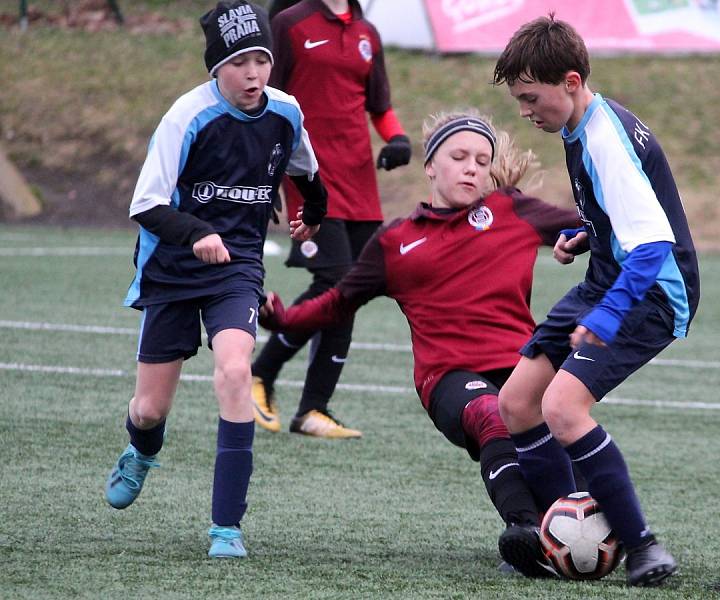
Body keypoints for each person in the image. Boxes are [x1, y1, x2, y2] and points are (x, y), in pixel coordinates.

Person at [258, 110, 582, 576]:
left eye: (482, 160)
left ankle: (585, 530)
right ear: (431, 165)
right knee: (490, 412)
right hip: (448, 378)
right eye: (459, 156)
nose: (472, 167)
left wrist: (580, 240)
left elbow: (592, 225)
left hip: (519, 365)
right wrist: (283, 318)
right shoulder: (396, 241)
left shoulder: (512, 211)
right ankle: (525, 533)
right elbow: (336, 303)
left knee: (570, 441)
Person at [103, 0, 327, 559]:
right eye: (238, 63)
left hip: (238, 266)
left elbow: (309, 176)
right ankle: (141, 449)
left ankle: (226, 527)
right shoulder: (186, 116)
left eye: (261, 60)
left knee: (234, 372)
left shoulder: (285, 111)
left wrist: (311, 216)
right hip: (174, 268)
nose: (253, 74)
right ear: (215, 69)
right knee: (150, 409)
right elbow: (146, 204)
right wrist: (196, 233)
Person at [492, 14, 700, 586]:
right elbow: (631, 216)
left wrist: (608, 314)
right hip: (610, 275)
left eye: (532, 98)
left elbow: (654, 242)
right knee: (517, 403)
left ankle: (643, 546)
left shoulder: (605, 139)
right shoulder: (580, 125)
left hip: (650, 289)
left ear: (571, 81)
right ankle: (572, 531)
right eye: (519, 100)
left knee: (562, 407)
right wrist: (589, 233)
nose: (526, 111)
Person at [250, 0, 412, 439]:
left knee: (350, 293)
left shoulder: (367, 33)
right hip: (309, 177)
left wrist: (396, 138)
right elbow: (263, 102)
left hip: (360, 180)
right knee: (335, 283)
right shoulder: (289, 23)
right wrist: (262, 173)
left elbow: (379, 106)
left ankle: (312, 411)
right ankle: (261, 374)